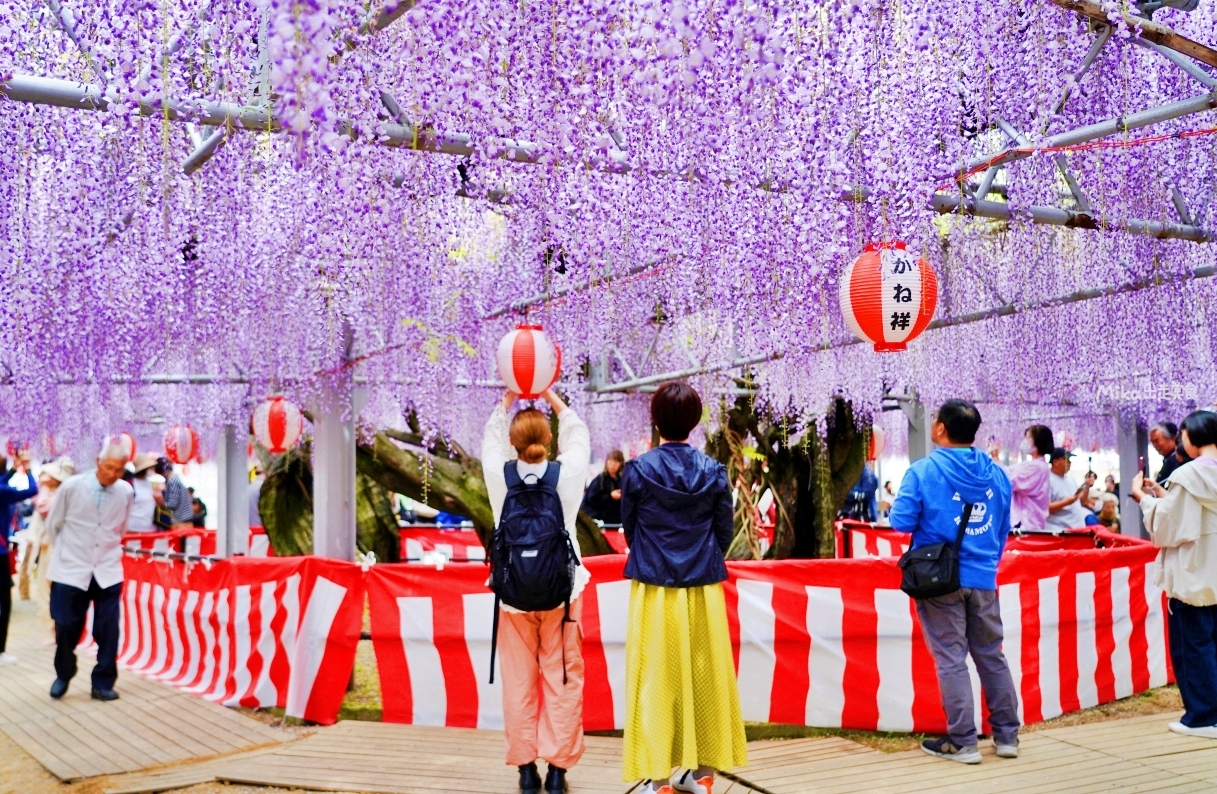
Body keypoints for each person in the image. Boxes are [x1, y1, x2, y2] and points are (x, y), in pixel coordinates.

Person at [620, 382, 746, 794]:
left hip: (654, 589)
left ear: (654, 420)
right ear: (695, 423)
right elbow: (723, 532)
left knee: (656, 678)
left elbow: (631, 531)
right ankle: (703, 774)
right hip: (703, 587)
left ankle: (658, 783)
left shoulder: (637, 471)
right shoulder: (713, 472)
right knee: (706, 675)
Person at [889, 399, 1019, 764]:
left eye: (933, 419)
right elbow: (1003, 525)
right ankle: (1007, 737)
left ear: (941, 428)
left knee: (951, 659)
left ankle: (962, 742)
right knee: (991, 656)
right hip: (983, 577)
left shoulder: (923, 471)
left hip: (941, 579)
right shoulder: (997, 474)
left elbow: (900, 522)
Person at [482, 389, 590, 794]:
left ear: (514, 441)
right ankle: (558, 772)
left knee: (518, 681)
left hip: (512, 596)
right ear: (548, 439)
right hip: (564, 592)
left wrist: (508, 398)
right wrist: (553, 398)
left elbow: (489, 441)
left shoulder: (499, 474)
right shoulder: (568, 474)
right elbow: (579, 436)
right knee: (562, 679)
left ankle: (527, 770)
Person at [1133, 410, 1217, 738]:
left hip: (1192, 573)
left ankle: (1202, 716)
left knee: (1193, 646)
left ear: (1189, 436)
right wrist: (1165, 497)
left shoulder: (1188, 476)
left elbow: (1168, 528)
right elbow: (1191, 514)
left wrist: (1142, 498)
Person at [45, 441, 134, 700]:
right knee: (66, 625)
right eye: (108, 467)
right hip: (71, 569)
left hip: (107, 568)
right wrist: (66, 552)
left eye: (118, 470)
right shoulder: (72, 487)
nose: (112, 474)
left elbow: (122, 528)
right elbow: (54, 524)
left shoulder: (125, 492)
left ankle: (102, 683)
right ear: (98, 462)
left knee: (108, 629)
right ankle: (64, 672)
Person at [0, 448, 38, 666]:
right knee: (4, 601)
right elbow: (32, 489)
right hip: (1, 553)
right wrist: (27, 469)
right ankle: (1, 651)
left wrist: (14, 470)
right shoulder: (4, 491)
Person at [1001, 424, 1053, 530]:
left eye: (1028, 438)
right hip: (1028, 523)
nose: (1025, 441)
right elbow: (1008, 471)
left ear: (1038, 441)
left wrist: (995, 458)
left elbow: (1010, 480)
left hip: (1027, 524)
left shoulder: (1036, 467)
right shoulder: (1035, 464)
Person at [1046, 448, 1091, 531]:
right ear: (1055, 461)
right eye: (1066, 459)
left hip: (1077, 530)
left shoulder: (1070, 478)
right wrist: (1065, 502)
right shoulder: (1046, 480)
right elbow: (1045, 508)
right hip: (1059, 531)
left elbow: (1081, 502)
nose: (1069, 462)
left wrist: (1087, 487)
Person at [581, 450, 625, 525]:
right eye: (610, 461)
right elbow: (592, 499)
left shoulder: (622, 480)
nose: (612, 465)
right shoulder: (600, 479)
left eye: (616, 462)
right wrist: (610, 496)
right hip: (598, 518)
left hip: (615, 520)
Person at [154, 457, 194, 528]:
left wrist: (161, 502)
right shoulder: (175, 479)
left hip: (180, 523)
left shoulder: (172, 481)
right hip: (184, 521)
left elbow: (172, 504)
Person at [126, 453, 159, 532]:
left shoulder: (152, 484)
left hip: (151, 529)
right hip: (133, 529)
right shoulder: (130, 484)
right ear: (143, 469)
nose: (152, 469)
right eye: (150, 468)